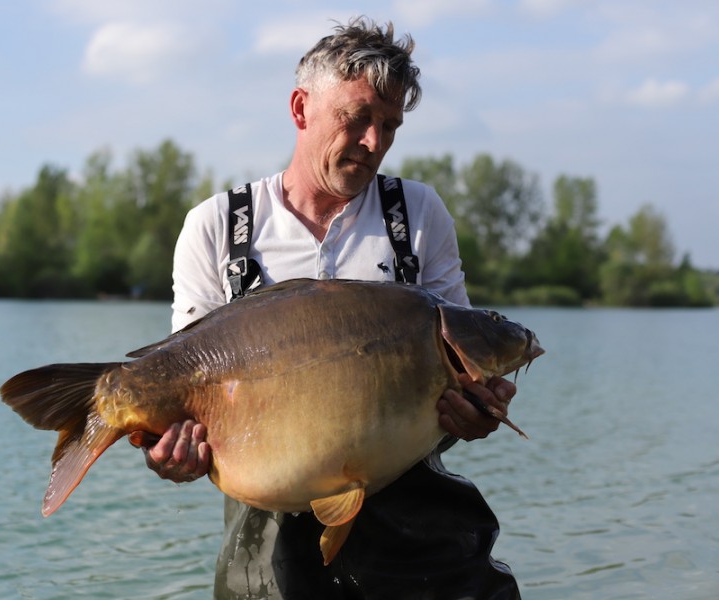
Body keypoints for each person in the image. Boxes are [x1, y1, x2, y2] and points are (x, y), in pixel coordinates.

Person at [133, 17, 521, 599]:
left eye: (389, 125)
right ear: (301, 108)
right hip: (265, 539)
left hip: (412, 524)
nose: (374, 142)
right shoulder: (217, 227)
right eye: (357, 117)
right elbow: (190, 394)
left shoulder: (417, 215)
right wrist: (171, 452)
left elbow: (460, 366)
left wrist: (479, 410)